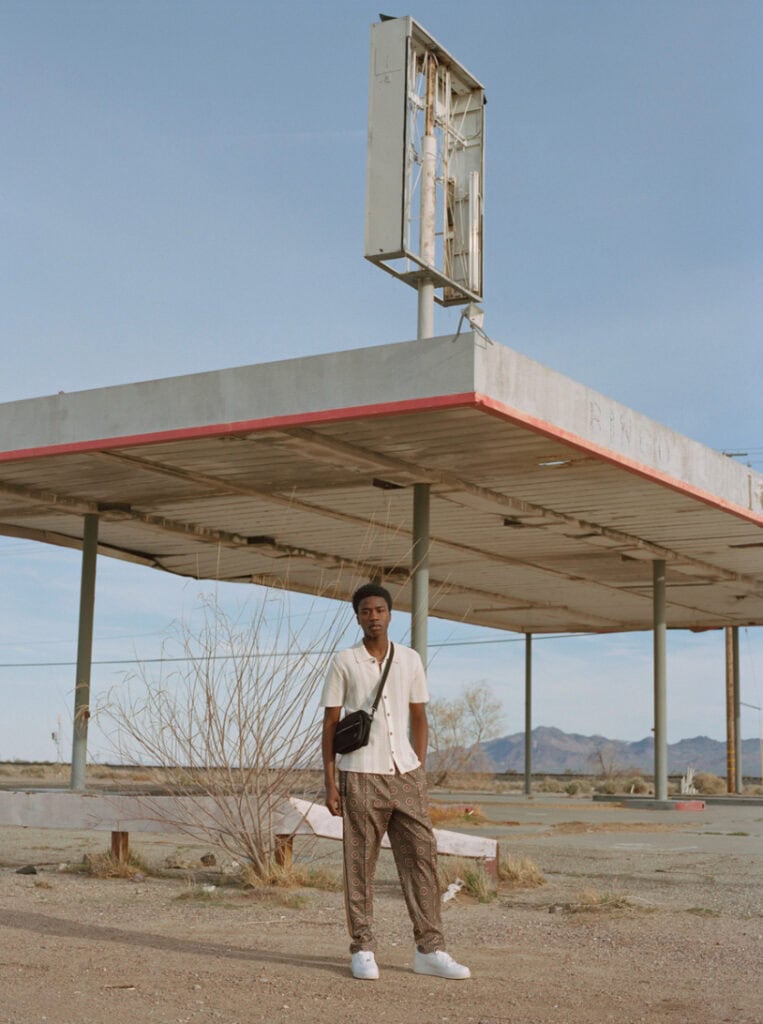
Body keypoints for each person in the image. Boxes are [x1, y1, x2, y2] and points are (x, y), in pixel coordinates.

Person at [321, 582, 471, 981]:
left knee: (422, 859)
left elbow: (420, 717)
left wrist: (418, 768)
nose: (374, 617)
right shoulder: (344, 661)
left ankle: (430, 949)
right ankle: (363, 948)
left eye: (380, 610)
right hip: (360, 773)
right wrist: (330, 783)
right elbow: (330, 724)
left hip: (405, 775)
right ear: (358, 617)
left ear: (390, 615)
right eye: (366, 611)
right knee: (360, 864)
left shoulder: (409, 660)